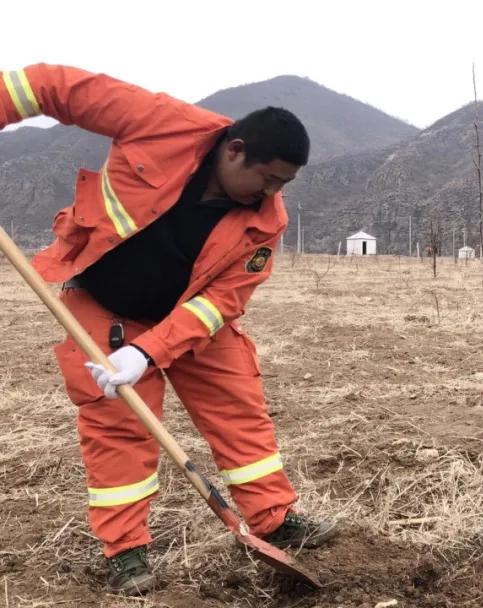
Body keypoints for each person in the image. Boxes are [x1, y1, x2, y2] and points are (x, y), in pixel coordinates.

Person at [0, 64, 336, 594]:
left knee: (239, 412)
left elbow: (221, 303)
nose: (272, 194)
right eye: (268, 178)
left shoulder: (267, 220)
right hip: (106, 303)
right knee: (118, 427)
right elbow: (43, 85)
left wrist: (149, 352)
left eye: (283, 184)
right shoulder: (159, 123)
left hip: (191, 316)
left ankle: (273, 518)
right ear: (234, 150)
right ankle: (127, 551)